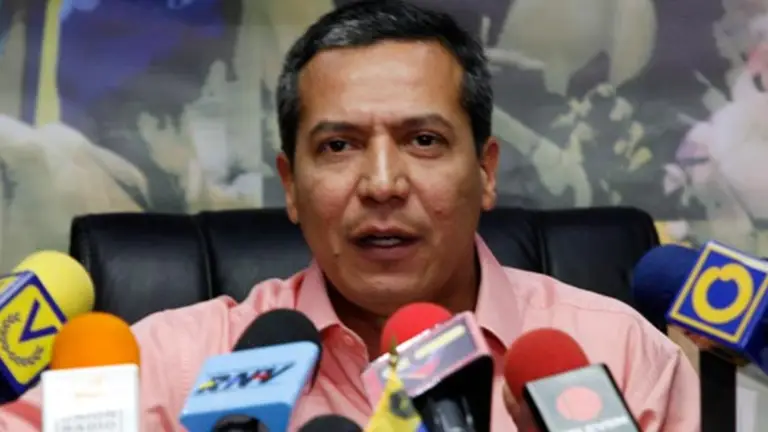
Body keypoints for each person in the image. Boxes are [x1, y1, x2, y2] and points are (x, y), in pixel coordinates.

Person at [0, 1, 700, 430]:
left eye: (423, 141)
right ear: (291, 187)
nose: (383, 184)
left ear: (486, 171)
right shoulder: (168, 364)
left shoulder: (617, 357)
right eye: (338, 146)